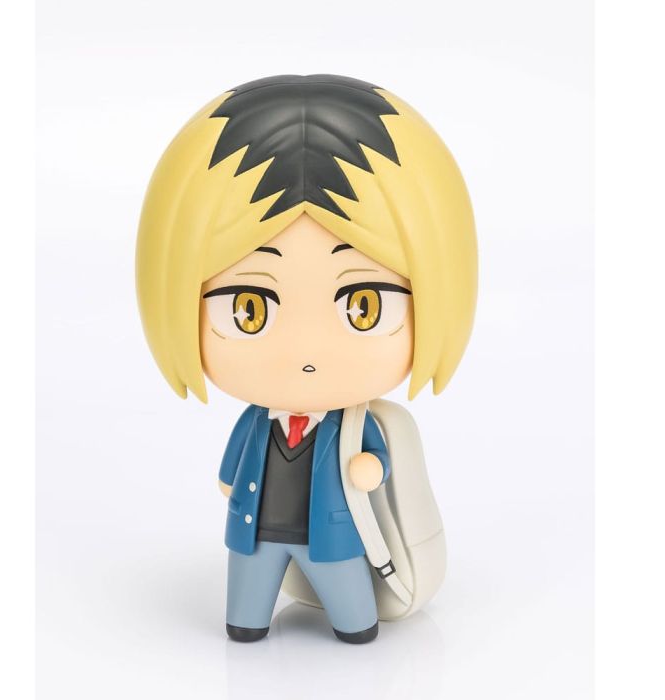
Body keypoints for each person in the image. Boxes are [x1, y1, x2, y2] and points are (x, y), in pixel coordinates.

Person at [136, 74, 477, 643]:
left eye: (364, 307)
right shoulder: (256, 421)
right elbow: (233, 466)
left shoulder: (355, 425)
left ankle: (356, 624)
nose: (305, 350)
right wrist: (228, 481)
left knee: (352, 610)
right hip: (254, 533)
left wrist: (372, 469)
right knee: (246, 607)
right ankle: (247, 623)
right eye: (248, 309)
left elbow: (375, 461)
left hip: (332, 536)